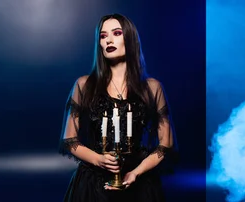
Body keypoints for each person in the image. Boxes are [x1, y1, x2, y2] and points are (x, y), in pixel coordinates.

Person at [58, 13, 178, 202]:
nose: (108, 40)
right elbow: (69, 139)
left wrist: (136, 173)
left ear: (129, 38)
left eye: (116, 33)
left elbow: (165, 144)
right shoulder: (84, 85)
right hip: (93, 183)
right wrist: (98, 159)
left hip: (138, 181)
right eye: (103, 36)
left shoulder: (152, 88)